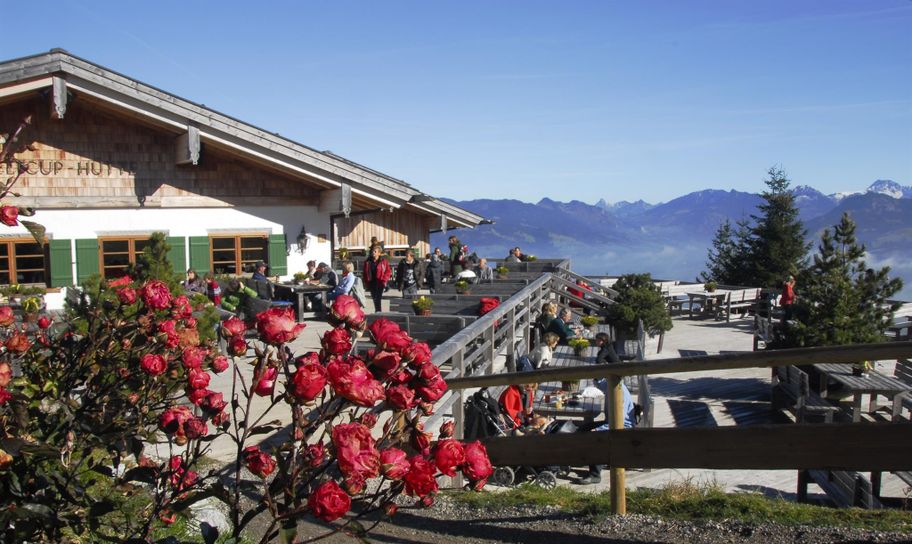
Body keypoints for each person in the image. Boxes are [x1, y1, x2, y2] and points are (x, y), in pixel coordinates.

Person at [579, 380, 636, 485]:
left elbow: (619, 421)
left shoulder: (619, 390)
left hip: (622, 427)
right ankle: (580, 459)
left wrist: (598, 429)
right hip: (611, 422)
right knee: (583, 428)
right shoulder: (608, 382)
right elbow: (597, 389)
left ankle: (595, 475)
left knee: (595, 436)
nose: (595, 380)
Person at [362, 245, 392, 312]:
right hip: (371, 283)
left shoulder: (383, 261)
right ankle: (378, 312)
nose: (373, 253)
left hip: (380, 282)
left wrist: (384, 279)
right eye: (372, 251)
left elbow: (388, 271)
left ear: (379, 253)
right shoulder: (367, 262)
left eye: (375, 251)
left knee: (377, 298)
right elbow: (364, 273)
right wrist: (365, 282)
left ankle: (378, 312)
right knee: (374, 299)